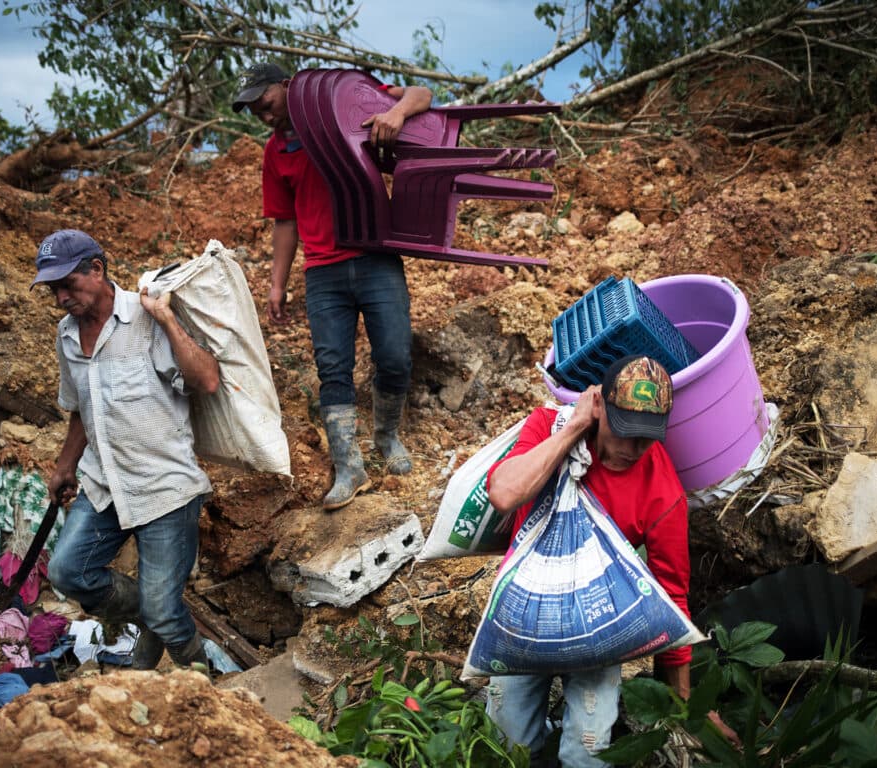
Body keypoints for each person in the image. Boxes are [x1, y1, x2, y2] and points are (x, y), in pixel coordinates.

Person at [484, 355, 739, 767]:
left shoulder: (662, 491)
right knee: (509, 741)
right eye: (622, 431)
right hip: (526, 615)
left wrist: (686, 703)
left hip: (597, 625)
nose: (631, 449)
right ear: (598, 405)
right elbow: (505, 493)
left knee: (586, 750)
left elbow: (670, 597)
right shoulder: (549, 428)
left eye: (645, 437)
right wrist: (574, 430)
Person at [231, 62, 433, 511]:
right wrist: (276, 284)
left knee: (395, 356)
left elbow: (421, 94)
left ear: (288, 87)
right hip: (323, 272)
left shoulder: (342, 106)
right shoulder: (275, 152)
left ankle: (386, 435)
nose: (263, 116)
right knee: (333, 369)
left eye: (265, 103)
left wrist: (395, 114)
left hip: (375, 257)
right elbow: (285, 220)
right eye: (254, 112)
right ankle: (348, 466)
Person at [31, 228, 221, 670]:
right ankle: (158, 614)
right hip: (104, 485)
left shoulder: (149, 315)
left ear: (96, 269)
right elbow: (81, 406)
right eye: (53, 290)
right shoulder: (66, 335)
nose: (61, 298)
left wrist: (168, 320)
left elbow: (207, 379)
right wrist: (65, 466)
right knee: (67, 573)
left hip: (164, 489)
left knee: (165, 613)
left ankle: (208, 684)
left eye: (67, 285)